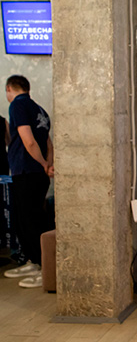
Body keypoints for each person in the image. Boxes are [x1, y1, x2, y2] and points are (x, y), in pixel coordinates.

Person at [2, 75, 54, 288]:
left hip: (26, 171)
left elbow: (28, 140)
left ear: (9, 88)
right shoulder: (40, 110)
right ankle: (34, 261)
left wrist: (42, 163)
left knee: (30, 222)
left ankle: (44, 268)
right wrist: (48, 164)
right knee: (27, 220)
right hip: (36, 173)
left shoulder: (17, 105)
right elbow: (49, 143)